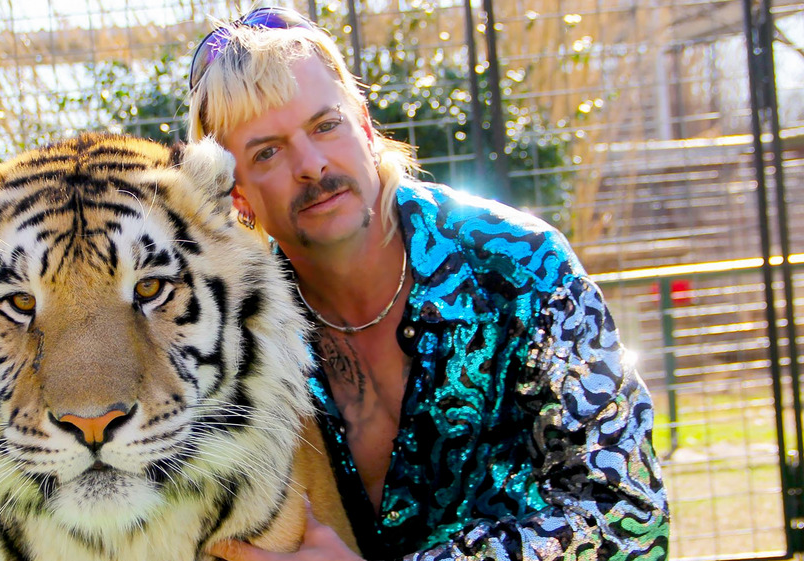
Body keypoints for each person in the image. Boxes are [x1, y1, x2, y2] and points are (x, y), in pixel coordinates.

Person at [187, 7, 669, 561]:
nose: (313, 164)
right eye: (267, 152)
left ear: (365, 128)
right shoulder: (236, 341)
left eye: (326, 125)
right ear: (238, 195)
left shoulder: (522, 266)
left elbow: (630, 516)